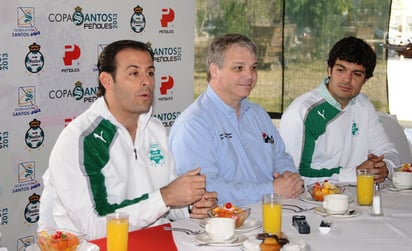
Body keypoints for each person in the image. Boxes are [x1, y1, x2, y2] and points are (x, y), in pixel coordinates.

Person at [38, 40, 217, 240]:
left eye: (150, 73)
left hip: (152, 241)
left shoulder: (154, 129)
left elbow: (166, 205)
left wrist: (190, 206)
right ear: (107, 80)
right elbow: (92, 227)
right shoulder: (80, 139)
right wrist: (165, 197)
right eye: (134, 73)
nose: (146, 81)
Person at [169, 34, 304, 206]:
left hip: (275, 212)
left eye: (254, 67)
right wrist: (271, 190)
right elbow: (207, 190)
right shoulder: (193, 124)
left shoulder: (258, 114)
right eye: (239, 68)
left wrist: (290, 179)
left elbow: (280, 157)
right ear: (214, 70)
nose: (250, 76)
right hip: (222, 226)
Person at [279, 36, 400, 185]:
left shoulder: (363, 105)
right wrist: (354, 174)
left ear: (365, 80)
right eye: (341, 70)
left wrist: (384, 167)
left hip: (355, 199)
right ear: (329, 70)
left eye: (356, 74)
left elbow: (389, 152)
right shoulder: (302, 112)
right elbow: (293, 176)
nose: (347, 80)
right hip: (310, 203)